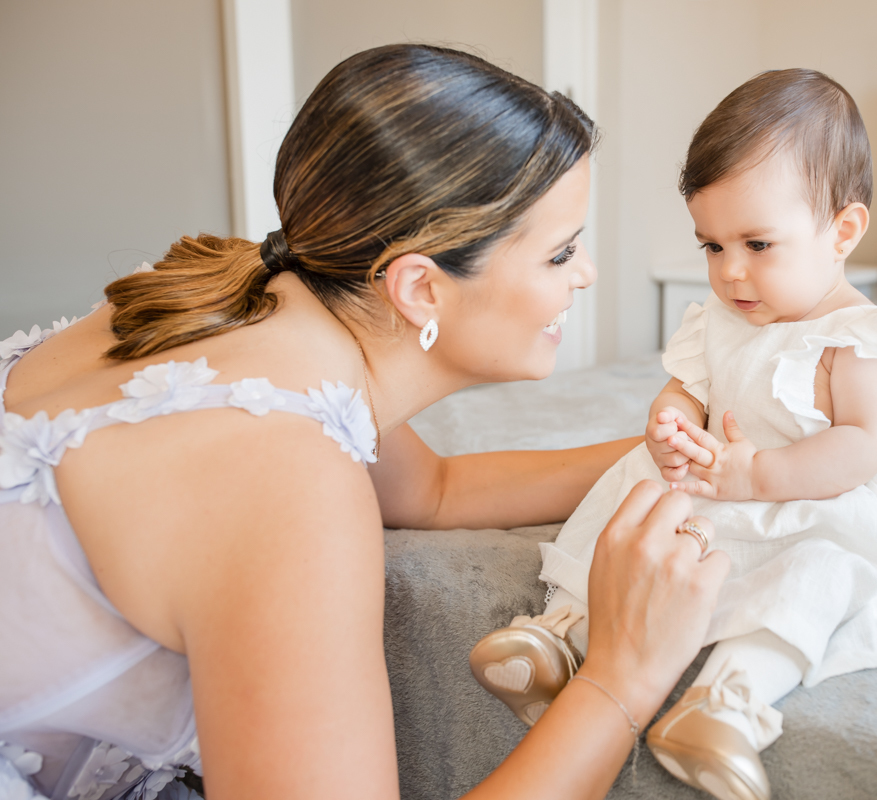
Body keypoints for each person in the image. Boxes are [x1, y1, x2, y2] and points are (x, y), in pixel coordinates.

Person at [0, 44, 731, 800]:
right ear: (420, 287)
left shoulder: (242, 303)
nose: (586, 273)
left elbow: (434, 491)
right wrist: (623, 673)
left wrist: (672, 454)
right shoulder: (285, 476)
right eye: (560, 253)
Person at [470, 68, 877, 800]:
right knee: (633, 493)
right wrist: (672, 418)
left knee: (824, 573)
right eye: (712, 247)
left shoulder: (858, 337)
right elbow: (693, 385)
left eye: (757, 243)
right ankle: (564, 630)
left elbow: (865, 443)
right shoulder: (719, 319)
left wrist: (761, 477)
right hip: (719, 480)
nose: (731, 273)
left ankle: (729, 701)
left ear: (841, 231)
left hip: (817, 494)